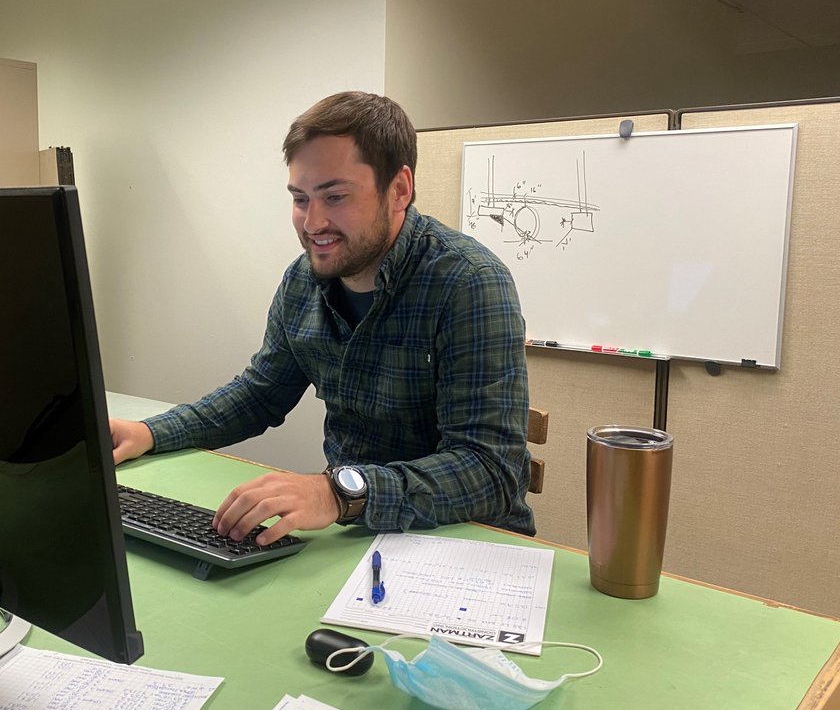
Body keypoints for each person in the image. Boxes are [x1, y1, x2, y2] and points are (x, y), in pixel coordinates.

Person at [110, 91, 534, 546]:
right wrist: (150, 432)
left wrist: (337, 492)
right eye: (300, 199)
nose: (312, 223)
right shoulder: (303, 282)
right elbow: (259, 395)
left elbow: (490, 471)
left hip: (469, 542)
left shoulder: (469, 283)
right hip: (356, 532)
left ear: (399, 189)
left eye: (334, 196)